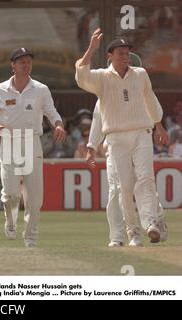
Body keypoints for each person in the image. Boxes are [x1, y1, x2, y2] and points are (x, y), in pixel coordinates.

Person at [76, 28, 169, 243]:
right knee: (123, 187)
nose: (125, 56)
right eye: (121, 53)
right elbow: (82, 77)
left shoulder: (140, 74)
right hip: (116, 138)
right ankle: (132, 232)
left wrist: (159, 126)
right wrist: (91, 49)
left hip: (141, 133)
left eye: (127, 53)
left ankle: (151, 223)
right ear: (110, 56)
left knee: (146, 178)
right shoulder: (101, 78)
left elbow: (150, 100)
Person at [0, 48, 66, 247]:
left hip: (32, 141)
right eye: (21, 62)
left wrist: (59, 124)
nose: (26, 65)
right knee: (10, 193)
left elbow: (51, 112)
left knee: (34, 197)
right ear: (13, 65)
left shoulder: (41, 89)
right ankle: (10, 221)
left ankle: (30, 237)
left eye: (28, 62)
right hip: (9, 141)